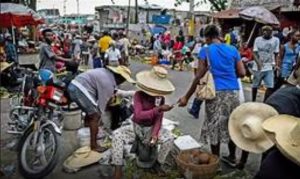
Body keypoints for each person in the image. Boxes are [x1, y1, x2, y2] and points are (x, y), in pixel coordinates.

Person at [178, 25, 245, 163]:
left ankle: (216, 161)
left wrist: (186, 97)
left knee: (214, 127)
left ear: (207, 37)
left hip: (215, 93)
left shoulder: (206, 50)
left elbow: (198, 76)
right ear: (219, 34)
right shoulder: (233, 49)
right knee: (231, 125)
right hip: (233, 92)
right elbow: (242, 73)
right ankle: (232, 157)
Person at [112, 66, 175, 179]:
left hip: (151, 127)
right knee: (117, 135)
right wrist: (158, 109)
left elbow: (158, 119)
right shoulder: (138, 95)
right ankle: (118, 168)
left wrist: (155, 135)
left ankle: (158, 164)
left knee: (169, 138)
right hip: (136, 127)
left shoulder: (160, 99)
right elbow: (139, 115)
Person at [67, 66, 135, 152]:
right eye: (124, 80)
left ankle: (88, 133)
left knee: (91, 112)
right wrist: (100, 120)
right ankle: (94, 145)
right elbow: (102, 106)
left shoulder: (106, 74)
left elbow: (111, 93)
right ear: (120, 78)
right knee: (95, 116)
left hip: (75, 85)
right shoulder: (108, 83)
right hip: (80, 89)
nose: (123, 82)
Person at [252, 26, 280, 102]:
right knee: (255, 85)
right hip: (258, 65)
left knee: (270, 85)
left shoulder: (276, 40)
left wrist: (277, 65)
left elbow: (276, 53)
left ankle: (265, 102)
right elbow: (254, 53)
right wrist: (258, 64)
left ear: (271, 32)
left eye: (267, 31)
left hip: (269, 65)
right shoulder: (257, 39)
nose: (264, 32)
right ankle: (253, 100)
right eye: (263, 30)